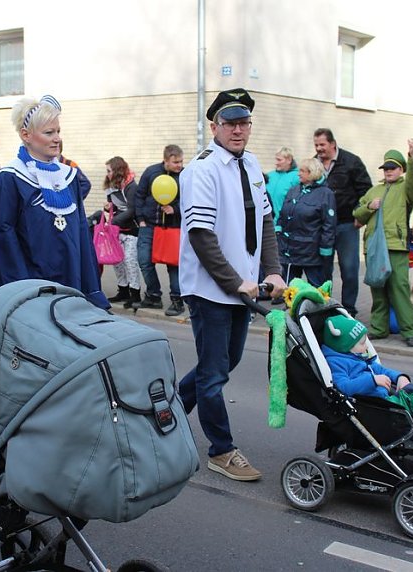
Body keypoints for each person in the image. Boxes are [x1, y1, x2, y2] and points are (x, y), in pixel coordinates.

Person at [178, 88, 287, 482]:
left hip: (244, 285)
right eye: (230, 123)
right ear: (214, 126)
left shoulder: (253, 165)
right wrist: (236, 283)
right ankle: (221, 450)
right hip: (209, 289)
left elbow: (266, 223)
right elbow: (201, 236)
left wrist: (272, 272)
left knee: (225, 363)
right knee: (213, 374)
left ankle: (166, 413)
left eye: (244, 123)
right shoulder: (201, 170)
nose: (238, 130)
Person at [0, 95, 108, 309]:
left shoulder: (69, 176)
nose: (57, 138)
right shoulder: (9, 178)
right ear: (26, 135)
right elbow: (3, 239)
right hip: (33, 290)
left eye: (58, 131)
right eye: (49, 132)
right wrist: (23, 293)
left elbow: (81, 233)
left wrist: (91, 289)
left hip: (71, 285)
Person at [353, 140, 413, 347]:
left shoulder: (406, 189)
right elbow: (357, 214)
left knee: (400, 288)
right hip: (374, 247)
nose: (388, 171)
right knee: (378, 287)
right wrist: (369, 207)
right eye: (385, 168)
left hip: (395, 246)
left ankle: (410, 331)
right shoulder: (374, 190)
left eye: (392, 168)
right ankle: (378, 328)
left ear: (401, 169)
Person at [314, 128, 372, 317]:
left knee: (349, 269)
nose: (319, 149)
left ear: (333, 144)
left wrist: (359, 216)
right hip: (323, 227)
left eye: (322, 145)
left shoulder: (351, 162)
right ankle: (325, 306)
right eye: (316, 145)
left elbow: (366, 191)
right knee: (323, 270)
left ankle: (348, 309)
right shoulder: (314, 163)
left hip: (347, 225)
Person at [134, 145, 185, 316]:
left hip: (173, 226)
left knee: (174, 265)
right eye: (175, 162)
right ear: (165, 161)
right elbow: (139, 195)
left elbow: (191, 200)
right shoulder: (151, 172)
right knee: (144, 261)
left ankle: (177, 301)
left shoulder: (185, 176)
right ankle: (154, 296)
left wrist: (175, 209)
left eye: (181, 161)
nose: (179, 165)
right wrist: (140, 219)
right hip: (148, 226)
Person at [275, 157, 336, 286]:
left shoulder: (326, 194)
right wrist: (279, 231)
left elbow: (328, 225)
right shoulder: (293, 190)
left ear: (312, 172)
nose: (298, 173)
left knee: (316, 290)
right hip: (290, 251)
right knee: (290, 290)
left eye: (302, 171)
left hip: (312, 254)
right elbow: (283, 214)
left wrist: (325, 251)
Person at [102, 156, 141, 305]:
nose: (107, 174)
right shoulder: (112, 187)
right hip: (117, 230)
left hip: (131, 229)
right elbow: (115, 207)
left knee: (130, 261)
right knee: (117, 262)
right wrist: (109, 208)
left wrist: (113, 221)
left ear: (118, 171)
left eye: (109, 171)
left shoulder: (131, 187)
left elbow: (131, 210)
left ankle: (135, 294)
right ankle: (123, 290)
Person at [264, 146, 298, 223]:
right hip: (267, 222)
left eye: (279, 160)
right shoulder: (270, 176)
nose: (276, 163)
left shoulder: (296, 177)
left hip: (284, 224)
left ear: (289, 160)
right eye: (276, 159)